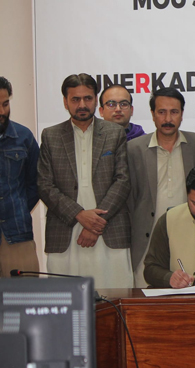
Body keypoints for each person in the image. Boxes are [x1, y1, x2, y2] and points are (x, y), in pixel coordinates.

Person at [37, 73, 133, 288]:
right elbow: (44, 185)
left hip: (109, 231)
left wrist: (94, 225)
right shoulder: (50, 136)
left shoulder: (114, 133)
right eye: (75, 99)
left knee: (115, 303)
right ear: (65, 102)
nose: (82, 104)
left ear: (95, 99)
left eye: (88, 98)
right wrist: (79, 215)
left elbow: (123, 181)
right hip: (66, 231)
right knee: (66, 305)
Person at [127, 87, 195, 287]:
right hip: (147, 241)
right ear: (153, 115)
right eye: (161, 112)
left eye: (174, 112)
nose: (168, 118)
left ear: (182, 114)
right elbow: (129, 201)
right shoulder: (134, 149)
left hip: (192, 238)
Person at [0, 76, 40, 277]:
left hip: (17, 236)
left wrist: (18, 208)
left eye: (5, 104)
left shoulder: (24, 137)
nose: (2, 111)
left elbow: (36, 183)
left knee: (25, 300)